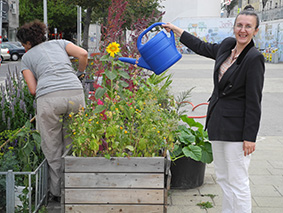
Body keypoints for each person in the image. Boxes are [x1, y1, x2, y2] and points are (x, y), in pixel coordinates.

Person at [163, 5, 265, 213]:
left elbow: (254, 101)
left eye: (248, 27)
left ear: (255, 31)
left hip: (237, 131)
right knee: (224, 178)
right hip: (218, 124)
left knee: (238, 181)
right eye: (239, 25)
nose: (242, 30)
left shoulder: (254, 58)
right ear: (234, 27)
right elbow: (201, 46)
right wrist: (176, 30)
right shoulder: (227, 46)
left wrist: (250, 137)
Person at [16, 20, 88, 202]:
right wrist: (79, 74)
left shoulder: (26, 58)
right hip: (74, 93)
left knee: (52, 146)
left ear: (27, 43)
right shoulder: (60, 43)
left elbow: (32, 90)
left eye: (22, 44)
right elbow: (83, 54)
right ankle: (75, 187)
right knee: (74, 141)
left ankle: (57, 192)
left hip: (49, 99)